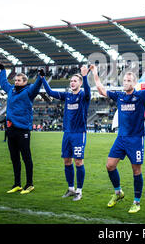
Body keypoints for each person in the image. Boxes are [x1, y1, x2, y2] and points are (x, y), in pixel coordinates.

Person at [92, 65, 145, 213]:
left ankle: (136, 202)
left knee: (136, 170)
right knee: (110, 165)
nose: (126, 82)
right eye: (125, 80)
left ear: (134, 83)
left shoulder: (141, 95)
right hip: (121, 138)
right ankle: (118, 193)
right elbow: (102, 91)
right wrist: (95, 73)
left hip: (135, 139)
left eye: (129, 80)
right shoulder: (120, 96)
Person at [41, 65, 91, 201]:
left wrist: (85, 76)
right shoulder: (67, 95)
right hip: (67, 133)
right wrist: (42, 78)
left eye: (75, 81)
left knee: (78, 162)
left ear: (80, 83)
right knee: (67, 161)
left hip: (79, 133)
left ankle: (79, 191)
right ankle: (70, 189)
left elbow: (88, 91)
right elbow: (50, 93)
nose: (72, 83)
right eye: (71, 81)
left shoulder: (83, 96)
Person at [0, 61, 42, 194]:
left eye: (18, 80)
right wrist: (3, 69)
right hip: (11, 129)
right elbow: (3, 83)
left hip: (23, 130)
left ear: (24, 81)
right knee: (14, 158)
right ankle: (17, 184)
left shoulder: (28, 91)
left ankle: (29, 184)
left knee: (26, 157)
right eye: (15, 80)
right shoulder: (11, 90)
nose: (16, 82)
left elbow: (36, 86)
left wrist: (40, 77)